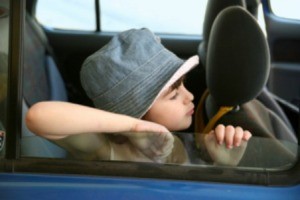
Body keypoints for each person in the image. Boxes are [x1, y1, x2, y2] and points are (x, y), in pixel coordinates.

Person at [26, 28, 251, 165]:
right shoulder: (107, 150)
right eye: (173, 96)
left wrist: (220, 163)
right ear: (138, 113)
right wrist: (133, 126)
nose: (190, 96)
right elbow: (38, 117)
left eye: (182, 86)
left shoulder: (173, 142)